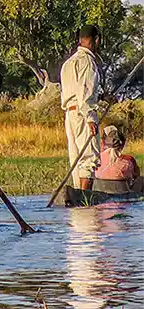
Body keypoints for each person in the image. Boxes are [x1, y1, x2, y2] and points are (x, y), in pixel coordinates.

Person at [60, 25, 101, 190]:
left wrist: (103, 96)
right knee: (89, 159)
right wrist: (91, 118)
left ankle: (78, 206)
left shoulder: (68, 63)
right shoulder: (87, 62)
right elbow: (85, 94)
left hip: (70, 115)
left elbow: (76, 90)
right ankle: (85, 202)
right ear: (96, 40)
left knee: (76, 160)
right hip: (82, 114)